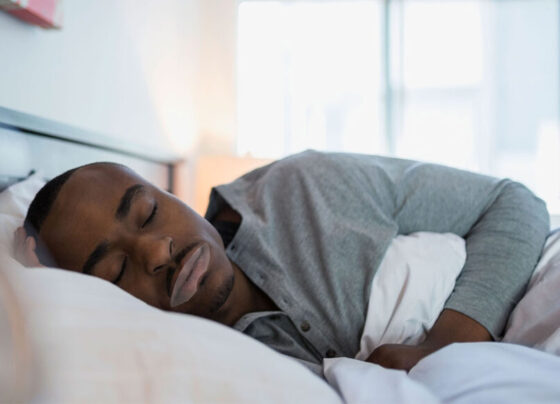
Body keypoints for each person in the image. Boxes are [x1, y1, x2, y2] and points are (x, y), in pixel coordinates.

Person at [13, 150, 549, 377]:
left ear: (171, 193)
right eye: (114, 272)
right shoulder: (188, 372)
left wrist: (445, 346)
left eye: (150, 211)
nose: (156, 251)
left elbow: (513, 202)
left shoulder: (305, 187)